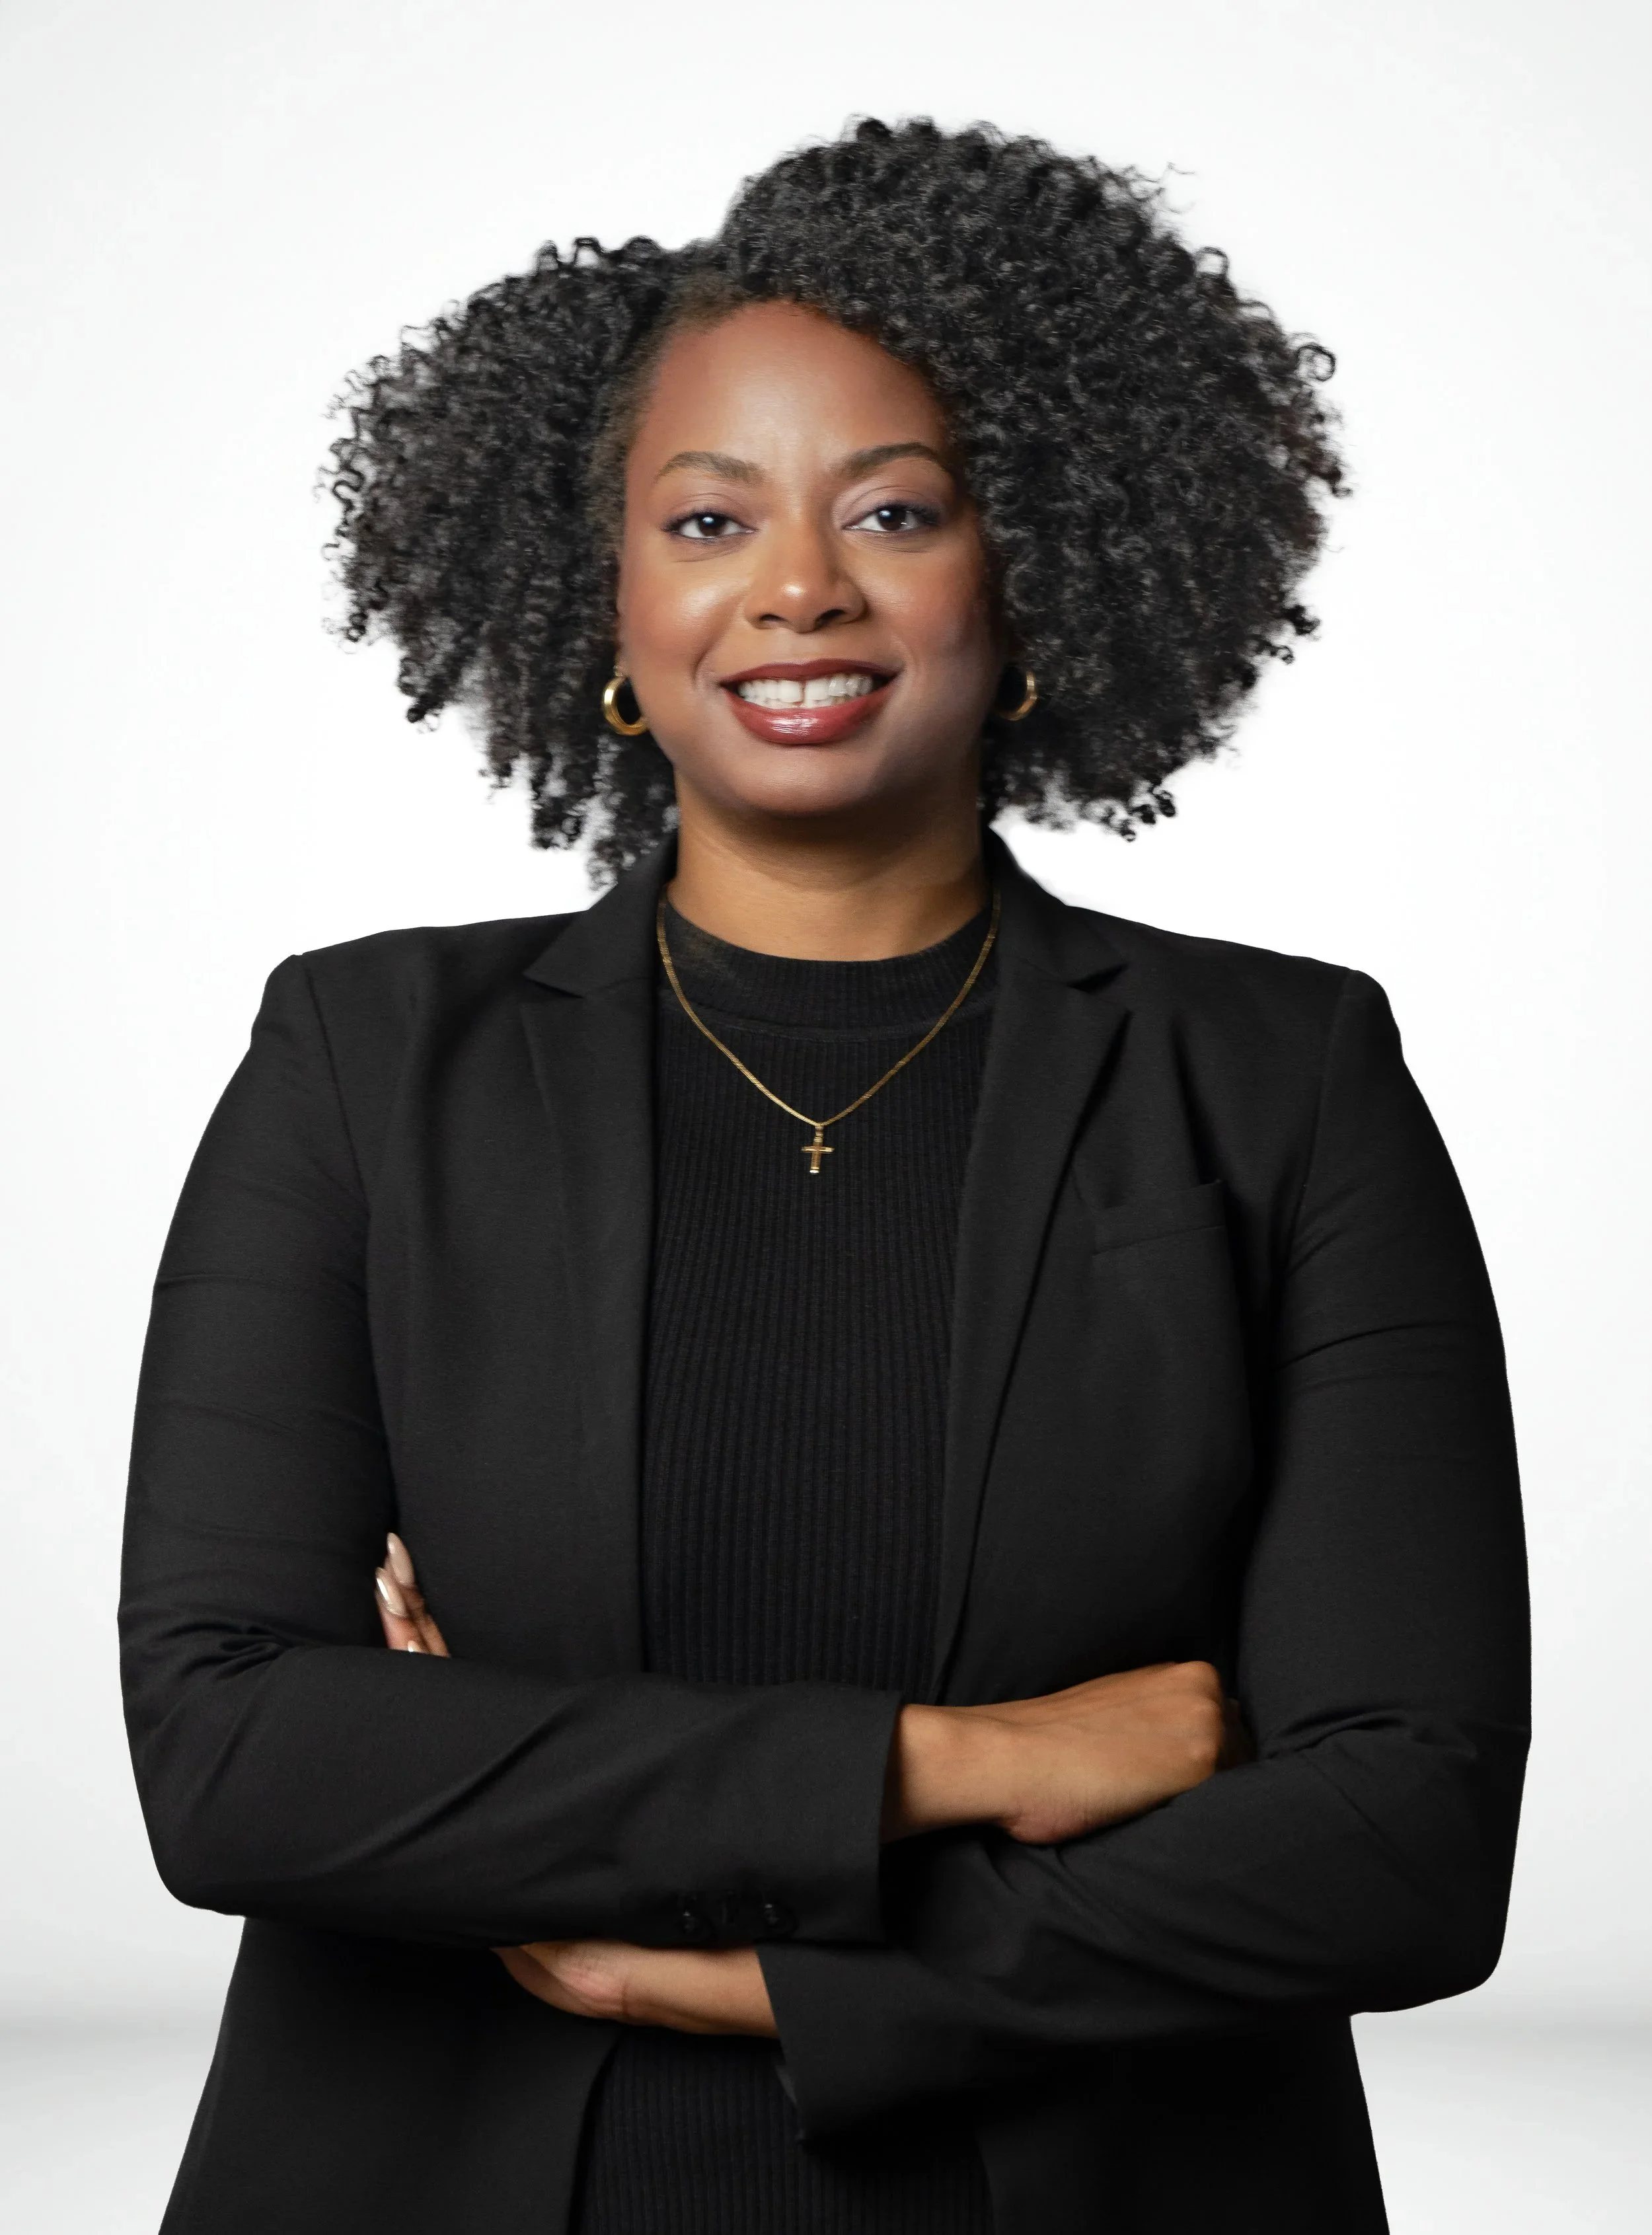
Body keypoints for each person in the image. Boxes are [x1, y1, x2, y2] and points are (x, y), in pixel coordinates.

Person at [120, 118, 1528, 2234]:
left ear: (1026, 561)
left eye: (894, 508)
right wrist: (961, 1763)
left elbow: (1403, 1833)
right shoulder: (361, 1063)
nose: (799, 584)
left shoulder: (1282, 1075)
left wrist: (773, 1971)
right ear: (609, 593)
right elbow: (232, 1756)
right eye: (708, 516)